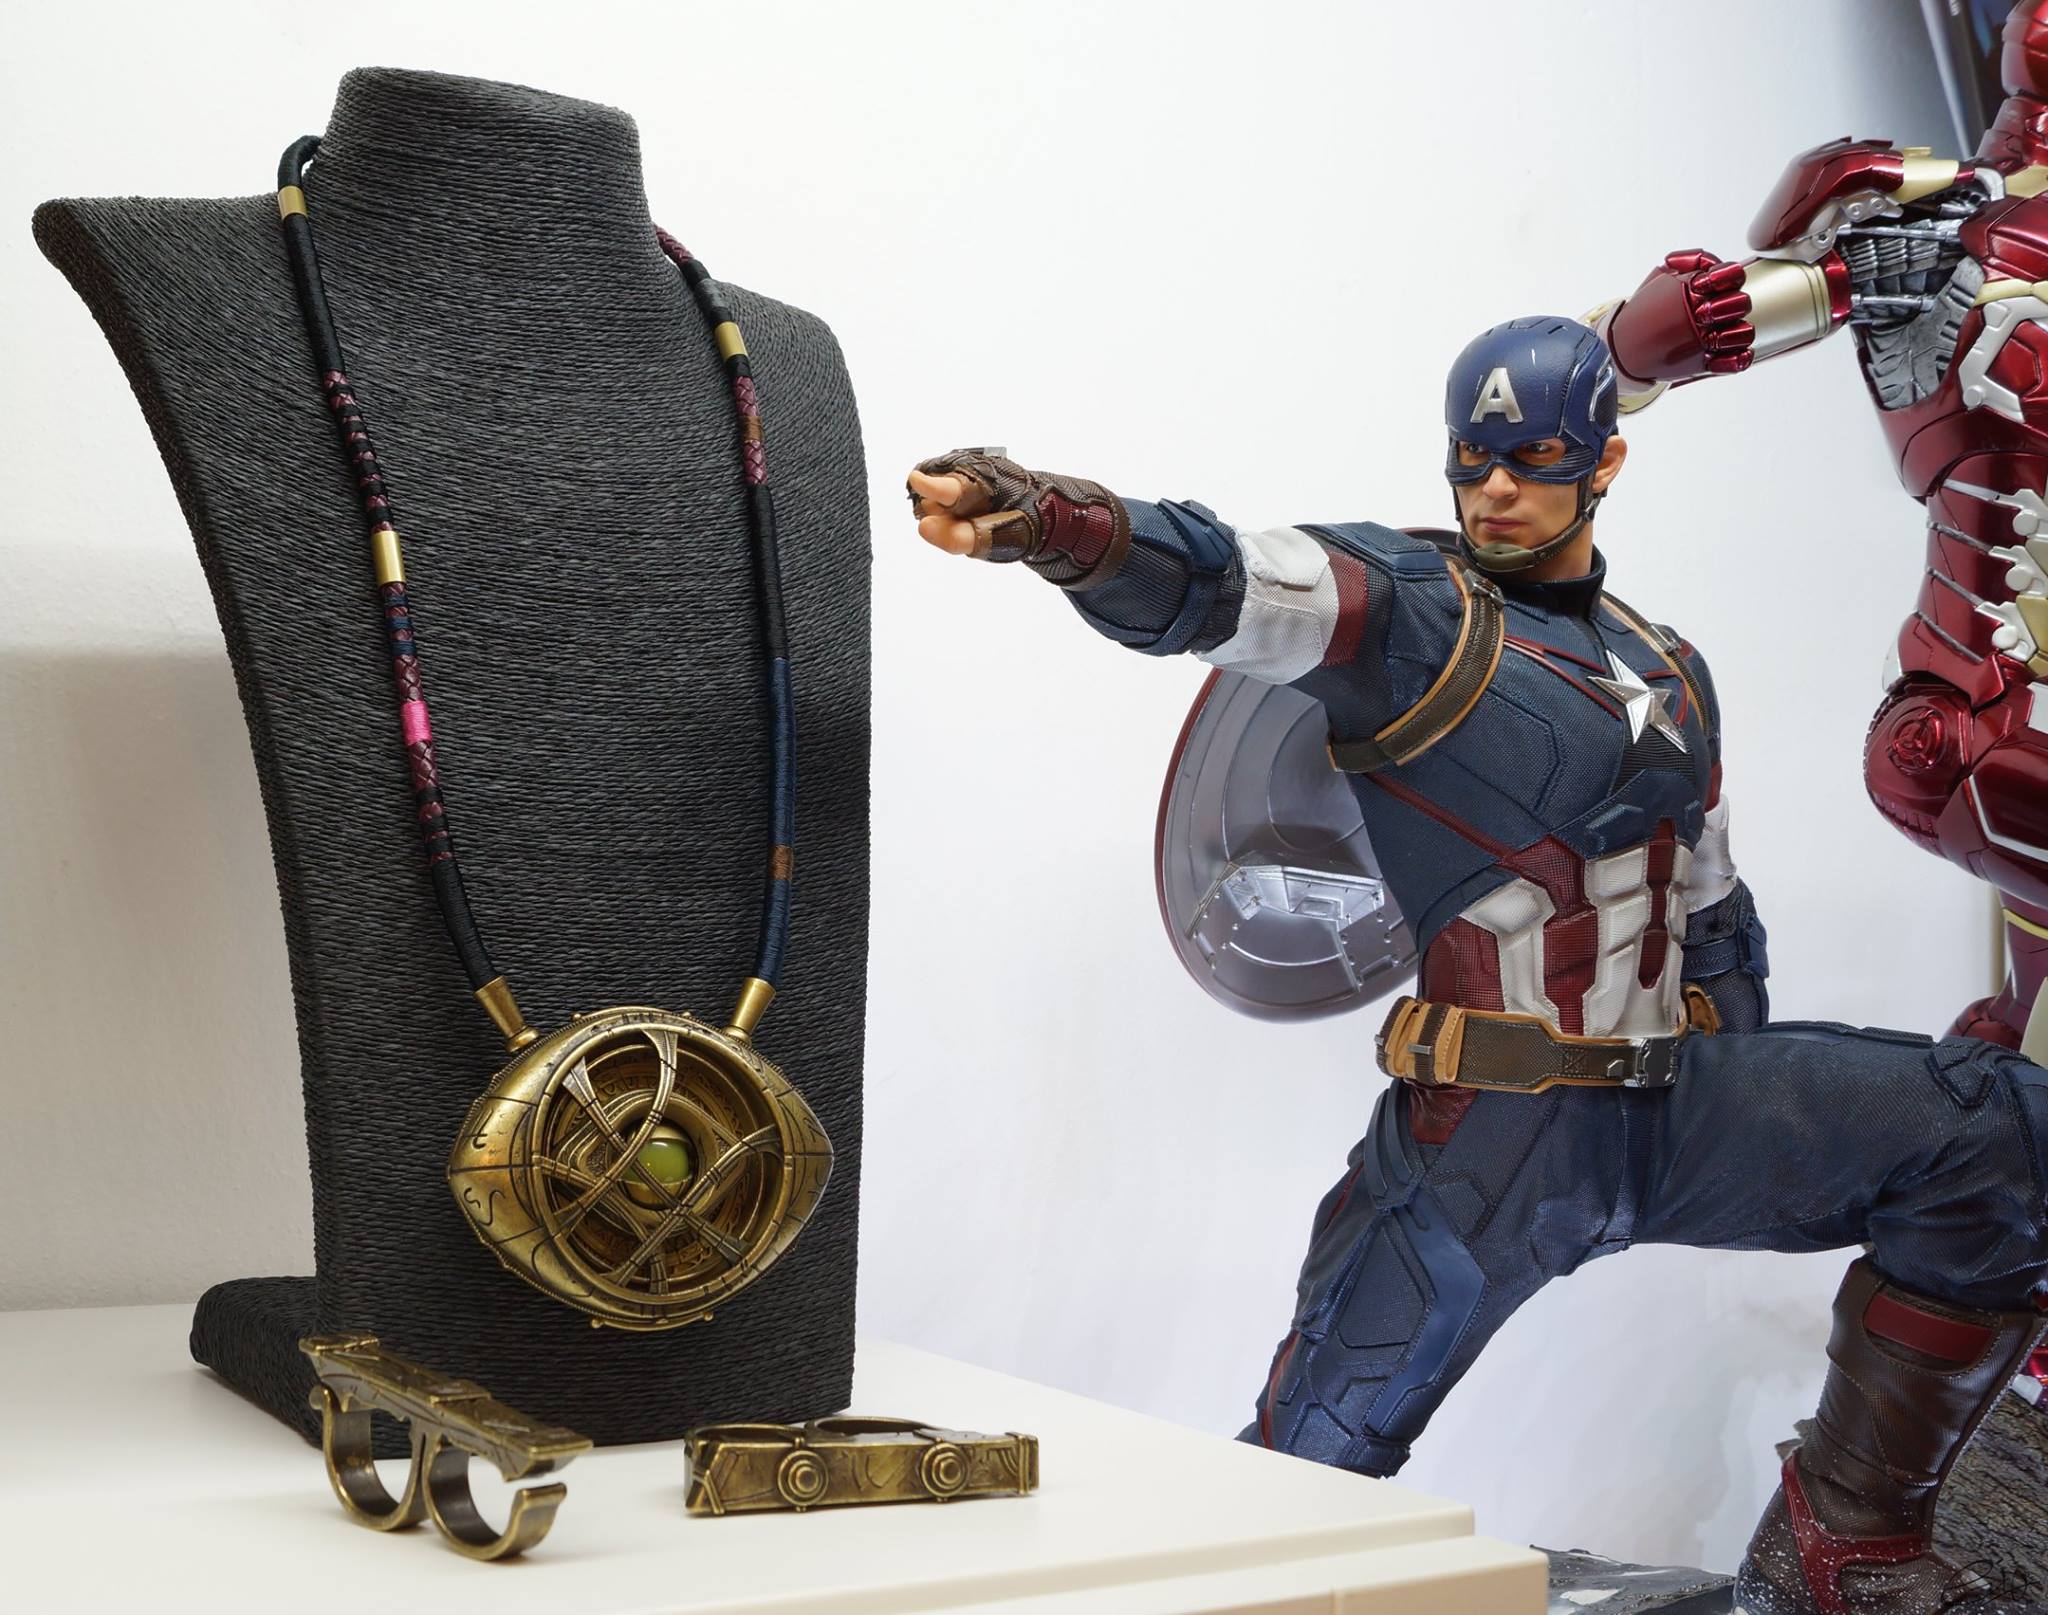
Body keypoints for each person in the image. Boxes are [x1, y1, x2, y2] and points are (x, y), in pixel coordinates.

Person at [909, 317, 2048, 1615]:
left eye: (1535, 459)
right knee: (1302, 1479)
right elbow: (1217, 579)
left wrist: (1744, 1057)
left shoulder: (1668, 665)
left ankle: (1844, 1546)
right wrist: (1058, 522)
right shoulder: (1405, 612)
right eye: (1475, 460)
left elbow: (1710, 893)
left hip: (1668, 1108)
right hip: (1489, 1139)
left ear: (1604, 462)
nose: (1496, 488)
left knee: (2000, 1134)